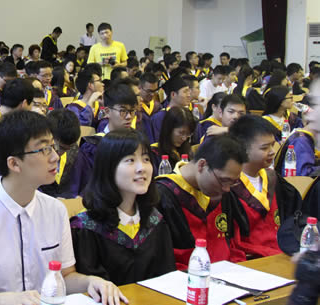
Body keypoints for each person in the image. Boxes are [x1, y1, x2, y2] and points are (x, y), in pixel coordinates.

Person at [0, 110, 127, 305]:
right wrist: (4, 300)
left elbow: (65, 276)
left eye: (53, 146)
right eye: (44, 149)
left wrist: (91, 282)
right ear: (14, 163)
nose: (55, 157)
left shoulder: (56, 210)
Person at [71, 130, 176, 285]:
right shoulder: (86, 228)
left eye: (146, 159)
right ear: (108, 167)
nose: (142, 168)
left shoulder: (155, 221)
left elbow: (167, 280)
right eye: (130, 160)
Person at [156, 135, 248, 269]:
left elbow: (233, 244)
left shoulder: (222, 192)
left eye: (233, 182)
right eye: (224, 180)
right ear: (202, 165)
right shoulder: (163, 195)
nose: (227, 189)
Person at [229, 115, 302, 257]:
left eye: (272, 145)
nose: (272, 151)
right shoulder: (229, 186)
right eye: (264, 148)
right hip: (251, 259)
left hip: (283, 253)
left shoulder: (274, 180)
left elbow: (294, 219)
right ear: (241, 148)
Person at [38, 109, 84, 198]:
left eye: (68, 148)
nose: (59, 154)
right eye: (59, 147)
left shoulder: (77, 155)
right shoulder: (34, 154)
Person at [150, 76, 191, 144]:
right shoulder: (159, 117)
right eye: (185, 92)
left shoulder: (188, 114)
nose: (189, 95)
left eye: (189, 91)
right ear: (173, 94)